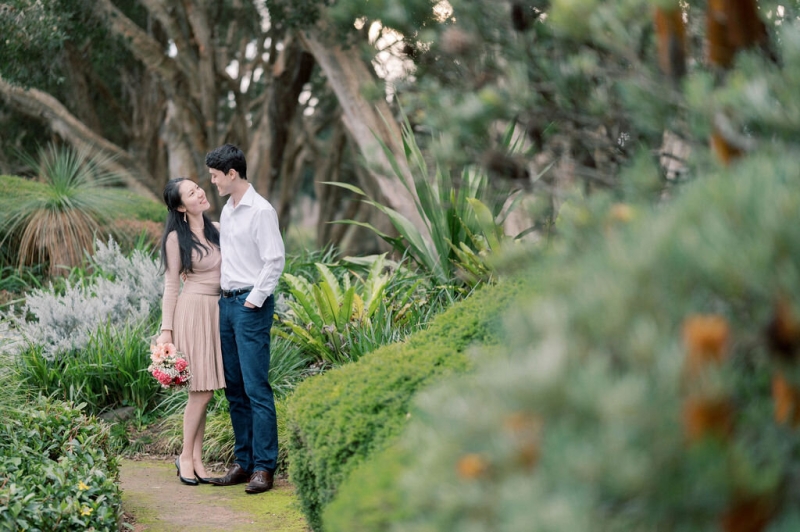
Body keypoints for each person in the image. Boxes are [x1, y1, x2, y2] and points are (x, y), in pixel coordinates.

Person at [205, 144, 285, 494]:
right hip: (226, 306)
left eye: (215, 176)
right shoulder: (229, 210)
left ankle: (264, 467)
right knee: (234, 388)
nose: (213, 182)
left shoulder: (261, 211)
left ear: (232, 174)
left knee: (255, 388)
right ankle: (244, 461)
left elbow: (275, 260)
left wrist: (252, 301)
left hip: (250, 305)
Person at [155, 177, 226, 487]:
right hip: (193, 311)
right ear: (181, 207)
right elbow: (171, 285)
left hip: (217, 311)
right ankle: (185, 456)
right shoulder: (175, 239)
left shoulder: (218, 229)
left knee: (205, 390)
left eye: (198, 188)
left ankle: (196, 459)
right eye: (191, 193)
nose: (200, 193)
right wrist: (166, 331)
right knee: (201, 391)